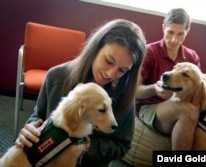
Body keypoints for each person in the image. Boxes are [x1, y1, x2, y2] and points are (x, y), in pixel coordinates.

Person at [15, 19, 146, 166]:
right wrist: (30, 129)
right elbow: (38, 115)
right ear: (96, 49)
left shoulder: (125, 94)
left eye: (122, 70)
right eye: (109, 61)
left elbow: (123, 145)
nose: (111, 73)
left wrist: (85, 147)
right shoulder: (56, 76)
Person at [136, 8, 201, 150]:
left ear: (187, 31)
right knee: (188, 111)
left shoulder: (192, 57)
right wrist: (154, 89)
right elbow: (134, 91)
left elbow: (197, 91)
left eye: (180, 34)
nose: (174, 40)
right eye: (170, 32)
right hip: (150, 108)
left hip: (180, 103)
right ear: (163, 27)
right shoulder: (149, 52)